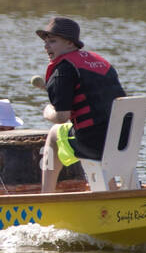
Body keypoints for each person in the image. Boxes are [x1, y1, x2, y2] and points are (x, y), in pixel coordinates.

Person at [36, 17, 127, 194]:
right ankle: (112, 189)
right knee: (96, 128)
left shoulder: (63, 69)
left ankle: (46, 195)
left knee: (54, 135)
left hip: (93, 144)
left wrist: (47, 111)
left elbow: (62, 117)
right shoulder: (102, 62)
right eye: (45, 42)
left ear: (70, 43)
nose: (46, 46)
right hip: (123, 140)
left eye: (52, 41)